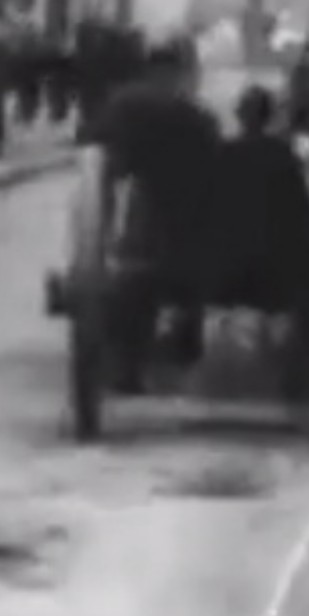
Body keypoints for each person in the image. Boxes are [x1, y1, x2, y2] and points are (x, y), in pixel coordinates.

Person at [94, 37, 223, 389]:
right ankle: (181, 341)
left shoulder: (124, 104)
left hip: (145, 217)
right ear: (179, 73)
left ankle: (125, 363)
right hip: (189, 223)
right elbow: (214, 170)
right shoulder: (197, 118)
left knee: (136, 275)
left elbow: (104, 163)